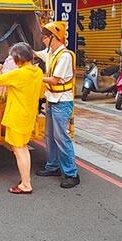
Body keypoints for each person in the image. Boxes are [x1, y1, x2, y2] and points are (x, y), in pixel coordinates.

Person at [0, 42, 43, 194]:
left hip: (16, 117)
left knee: (18, 150)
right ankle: (26, 179)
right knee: (24, 148)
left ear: (19, 59)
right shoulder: (37, 72)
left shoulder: (18, 74)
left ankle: (25, 185)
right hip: (29, 116)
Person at [34, 21, 80, 189]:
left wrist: (33, 76)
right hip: (52, 100)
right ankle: (52, 166)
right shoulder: (51, 53)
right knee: (50, 136)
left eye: (45, 37)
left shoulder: (65, 56)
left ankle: (71, 174)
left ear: (54, 37)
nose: (43, 40)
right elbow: (37, 54)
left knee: (61, 137)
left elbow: (54, 80)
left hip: (62, 102)